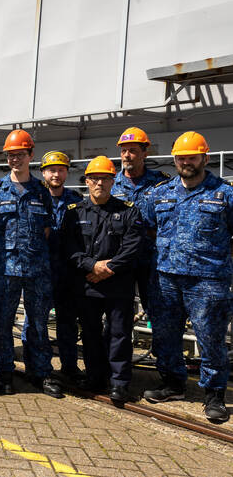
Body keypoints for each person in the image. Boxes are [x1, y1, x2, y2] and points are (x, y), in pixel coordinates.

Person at [142, 131, 233, 423]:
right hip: (166, 277)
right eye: (181, 159)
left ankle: (214, 394)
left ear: (204, 158)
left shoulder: (225, 194)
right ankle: (173, 384)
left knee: (211, 338)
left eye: (192, 158)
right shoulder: (160, 193)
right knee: (166, 335)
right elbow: (147, 227)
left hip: (209, 279)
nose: (186, 163)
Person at [62, 156, 143, 403]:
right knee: (90, 334)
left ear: (113, 180)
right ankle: (95, 376)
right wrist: (92, 266)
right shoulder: (75, 213)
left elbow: (133, 246)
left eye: (105, 179)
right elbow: (69, 247)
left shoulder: (128, 211)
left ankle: (119, 382)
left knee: (119, 334)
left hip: (118, 285)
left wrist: (107, 268)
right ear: (86, 181)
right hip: (88, 285)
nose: (99, 183)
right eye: (94, 178)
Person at [0, 129, 61, 398]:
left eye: (19, 155)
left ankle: (40, 373)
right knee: (4, 322)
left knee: (39, 323)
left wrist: (29, 251)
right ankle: (5, 373)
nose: (15, 160)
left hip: (36, 268)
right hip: (6, 268)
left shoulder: (41, 192)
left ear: (31, 155)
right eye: (10, 156)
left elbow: (46, 229)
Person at [37, 151, 84, 384]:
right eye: (52, 170)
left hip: (67, 273)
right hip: (41, 271)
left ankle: (69, 366)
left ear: (67, 172)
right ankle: (40, 366)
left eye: (61, 169)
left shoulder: (76, 201)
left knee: (67, 323)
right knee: (38, 322)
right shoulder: (35, 197)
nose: (56, 174)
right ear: (43, 172)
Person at [111, 127, 169, 316]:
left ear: (145, 152)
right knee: (119, 314)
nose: (127, 156)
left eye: (133, 150)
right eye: (124, 151)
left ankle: (159, 346)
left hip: (152, 260)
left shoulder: (162, 184)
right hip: (121, 260)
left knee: (158, 312)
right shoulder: (111, 185)